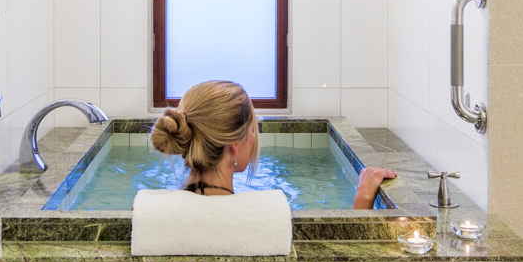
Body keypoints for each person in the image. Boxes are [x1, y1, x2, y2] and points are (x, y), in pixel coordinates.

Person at [150, 80, 397, 209]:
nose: (255, 138)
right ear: (234, 145)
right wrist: (364, 197)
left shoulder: (151, 212)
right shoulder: (265, 216)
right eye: (252, 130)